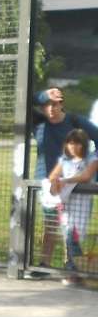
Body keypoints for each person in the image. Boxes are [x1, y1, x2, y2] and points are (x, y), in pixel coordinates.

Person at [31, 87, 98, 270]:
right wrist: (44, 95)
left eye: (54, 104)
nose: (50, 109)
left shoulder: (75, 121)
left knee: (71, 226)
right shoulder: (39, 123)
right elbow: (24, 101)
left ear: (62, 104)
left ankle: (71, 264)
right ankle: (45, 264)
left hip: (74, 181)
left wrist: (93, 169)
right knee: (51, 224)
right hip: (49, 182)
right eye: (46, 105)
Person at [45, 127, 98, 284]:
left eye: (77, 143)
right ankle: (75, 272)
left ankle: (75, 272)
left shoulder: (91, 159)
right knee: (68, 239)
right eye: (70, 143)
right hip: (65, 206)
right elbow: (53, 176)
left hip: (81, 206)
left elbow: (86, 176)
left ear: (84, 144)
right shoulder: (64, 160)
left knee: (72, 238)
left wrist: (66, 180)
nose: (73, 146)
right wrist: (56, 181)